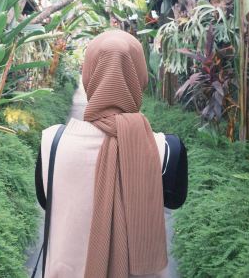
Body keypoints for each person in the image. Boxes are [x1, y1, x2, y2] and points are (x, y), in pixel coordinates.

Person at [35, 29, 186, 278]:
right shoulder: (168, 148)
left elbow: (47, 201)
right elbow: (175, 201)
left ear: (89, 75)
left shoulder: (53, 141)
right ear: (140, 75)